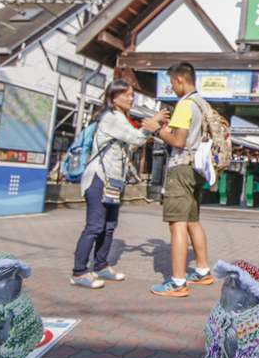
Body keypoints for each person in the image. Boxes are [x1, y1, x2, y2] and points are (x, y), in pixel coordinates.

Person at [71, 80, 167, 289]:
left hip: (113, 180)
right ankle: (78, 272)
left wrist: (148, 133)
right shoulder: (112, 116)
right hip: (99, 177)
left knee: (109, 226)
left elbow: (131, 144)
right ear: (114, 98)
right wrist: (155, 120)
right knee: (95, 226)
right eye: (127, 94)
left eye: (132, 94)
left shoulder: (121, 118)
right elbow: (136, 138)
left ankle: (101, 266)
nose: (131, 98)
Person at [150, 62, 214, 297]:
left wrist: (156, 129)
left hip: (180, 169)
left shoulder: (185, 104)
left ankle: (178, 282)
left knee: (177, 224)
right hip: (197, 170)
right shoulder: (202, 103)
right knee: (192, 221)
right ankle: (203, 271)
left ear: (179, 79)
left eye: (172, 83)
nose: (172, 88)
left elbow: (178, 141)